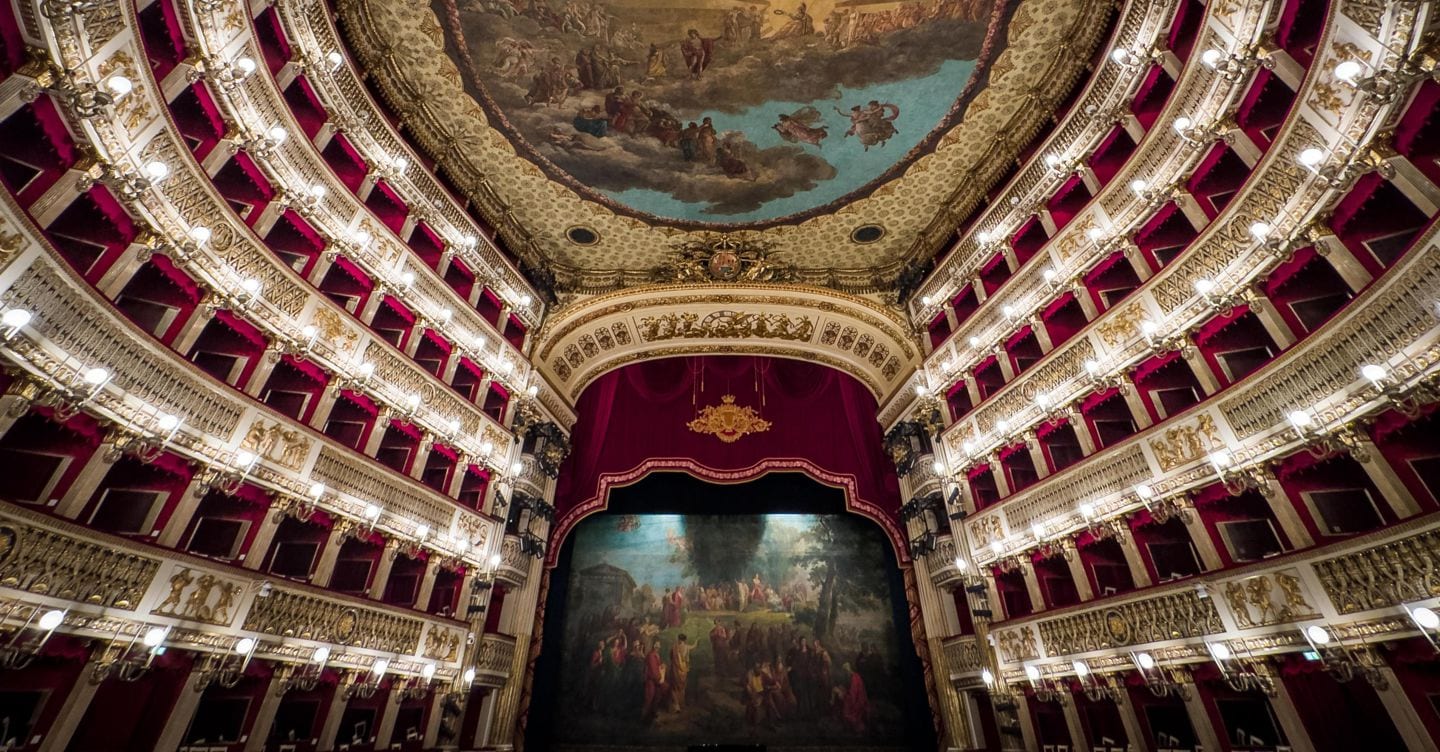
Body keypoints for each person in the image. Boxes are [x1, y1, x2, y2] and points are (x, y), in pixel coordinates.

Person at [841, 662, 869, 733]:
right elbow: (851, 690)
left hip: (858, 700)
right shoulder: (854, 676)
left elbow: (853, 694)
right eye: (845, 671)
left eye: (846, 670)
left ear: (849, 669)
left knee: (846, 703)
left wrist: (844, 695)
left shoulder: (855, 677)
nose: (846, 672)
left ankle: (853, 724)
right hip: (855, 697)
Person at [669, 634, 693, 710]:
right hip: (684, 667)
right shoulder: (686, 647)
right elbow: (687, 659)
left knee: (674, 687)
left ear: (678, 639)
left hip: (676, 668)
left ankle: (677, 705)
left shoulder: (674, 647)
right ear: (685, 640)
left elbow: (671, 657)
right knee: (682, 686)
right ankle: (681, 703)